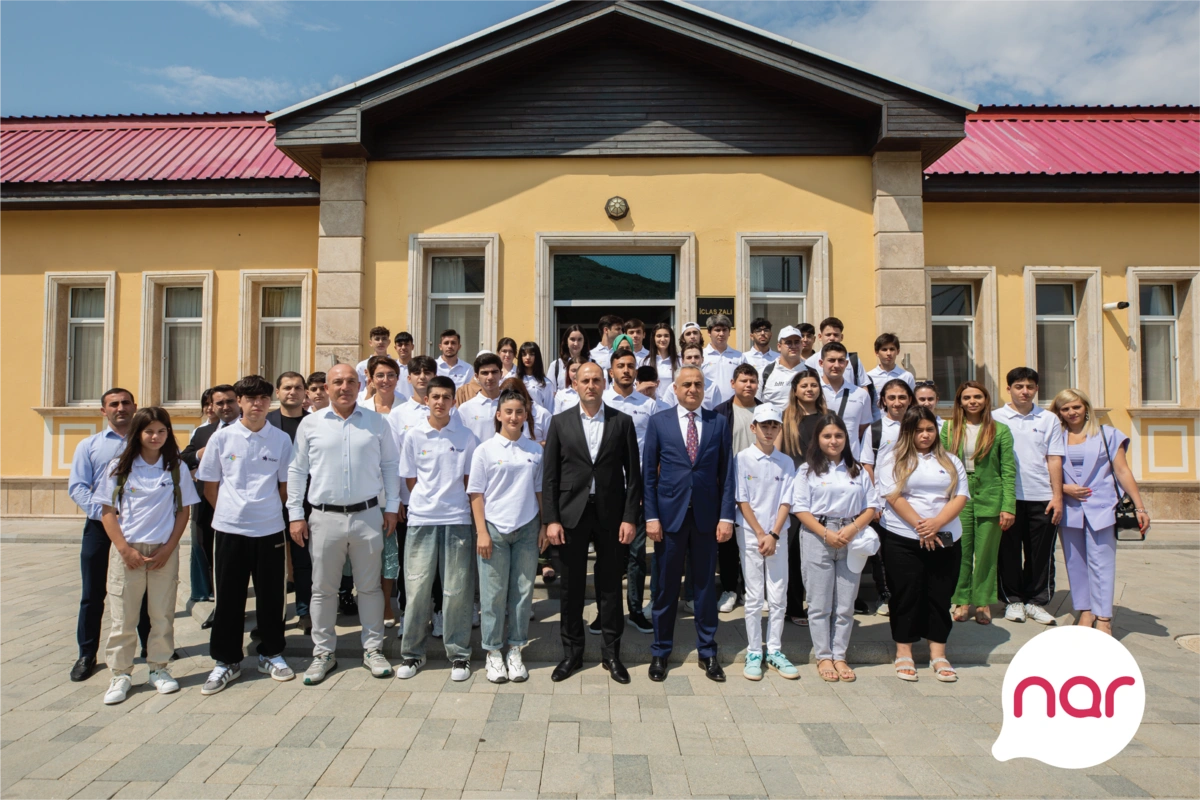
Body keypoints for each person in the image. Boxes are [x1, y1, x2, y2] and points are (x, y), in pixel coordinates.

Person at [288, 364, 401, 685]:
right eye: (338, 382)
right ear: (325, 387)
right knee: (322, 590)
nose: (345, 387)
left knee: (369, 587)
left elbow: (391, 466)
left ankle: (373, 649)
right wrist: (295, 513)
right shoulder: (310, 424)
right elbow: (297, 471)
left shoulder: (377, 423)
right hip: (324, 518)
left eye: (351, 381)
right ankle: (323, 653)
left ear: (360, 384)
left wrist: (391, 507)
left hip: (368, 516)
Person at [543, 363, 642, 684]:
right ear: (575, 384)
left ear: (605, 382)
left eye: (596, 380)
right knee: (570, 586)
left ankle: (611, 654)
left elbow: (634, 477)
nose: (590, 385)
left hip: (611, 516)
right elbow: (550, 477)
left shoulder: (622, 422)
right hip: (570, 515)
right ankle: (571, 653)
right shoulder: (560, 423)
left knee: (611, 585)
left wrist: (630, 517)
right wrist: (551, 520)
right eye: (584, 380)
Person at [196, 375, 295, 695]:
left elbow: (284, 487)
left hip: (268, 529)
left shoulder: (280, 439)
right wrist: (232, 510)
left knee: (271, 597)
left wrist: (261, 510)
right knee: (228, 597)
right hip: (228, 529)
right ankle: (226, 661)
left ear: (271, 401)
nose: (257, 404)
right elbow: (209, 485)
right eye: (250, 398)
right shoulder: (222, 439)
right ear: (238, 401)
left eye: (263, 398)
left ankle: (271, 653)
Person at [95, 407, 199, 704]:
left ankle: (159, 668)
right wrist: (124, 549)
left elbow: (183, 511)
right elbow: (107, 512)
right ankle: (120, 674)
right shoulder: (120, 466)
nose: (155, 437)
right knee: (123, 617)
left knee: (162, 614)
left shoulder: (175, 466)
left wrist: (168, 548)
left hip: (163, 551)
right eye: (149, 431)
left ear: (168, 434)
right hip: (128, 550)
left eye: (161, 431)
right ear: (138, 433)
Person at [644, 364, 736, 683]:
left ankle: (708, 651)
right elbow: (648, 476)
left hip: (707, 520)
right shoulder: (659, 422)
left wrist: (726, 516)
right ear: (676, 389)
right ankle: (660, 651)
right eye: (686, 384)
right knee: (666, 588)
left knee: (704, 587)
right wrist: (651, 516)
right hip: (669, 519)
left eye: (698, 384)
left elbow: (727, 475)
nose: (692, 389)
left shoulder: (718, 423)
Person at [875, 406, 969, 683]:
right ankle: (904, 650)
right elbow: (894, 496)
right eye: (918, 430)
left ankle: (938, 652)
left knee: (940, 594)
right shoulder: (892, 459)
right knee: (906, 594)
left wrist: (936, 524)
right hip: (903, 537)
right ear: (908, 432)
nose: (925, 435)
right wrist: (922, 525)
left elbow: (960, 496)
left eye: (929, 429)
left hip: (945, 537)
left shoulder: (951, 461)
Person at [67, 387, 152, 682]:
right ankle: (87, 653)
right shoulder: (90, 446)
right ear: (103, 411)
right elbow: (78, 486)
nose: (121, 408)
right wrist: (106, 515)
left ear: (135, 407)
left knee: (141, 589)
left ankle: (150, 646)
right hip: (99, 528)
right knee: (93, 593)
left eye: (126, 403)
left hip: (139, 528)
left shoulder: (149, 443)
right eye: (113, 404)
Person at [397, 376, 479, 681]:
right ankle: (413, 654)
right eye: (435, 397)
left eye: (446, 397)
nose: (440, 402)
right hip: (421, 521)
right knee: (417, 589)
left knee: (456, 591)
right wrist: (428, 501)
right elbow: (410, 479)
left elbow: (471, 481)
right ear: (426, 399)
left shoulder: (467, 437)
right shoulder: (415, 435)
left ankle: (458, 654)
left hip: (457, 519)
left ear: (453, 401)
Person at [1050, 389, 1149, 635]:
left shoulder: (1108, 434)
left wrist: (1140, 506)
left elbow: (1123, 471)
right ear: (1059, 412)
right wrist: (1063, 488)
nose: (1071, 412)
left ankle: (1104, 616)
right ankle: (1085, 610)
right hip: (1070, 509)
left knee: (1102, 562)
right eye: (1065, 408)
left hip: (1102, 507)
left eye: (1076, 407)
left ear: (1086, 407)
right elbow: (1045, 472)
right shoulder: (1054, 437)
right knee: (1075, 562)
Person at [793, 414, 881, 683]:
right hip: (817, 536)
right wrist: (826, 533)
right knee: (819, 603)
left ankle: (840, 655)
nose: (833, 441)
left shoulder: (856, 470)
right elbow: (800, 508)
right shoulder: (807, 471)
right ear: (817, 440)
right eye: (827, 436)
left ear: (846, 439)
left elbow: (872, 506)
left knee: (845, 604)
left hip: (851, 537)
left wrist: (852, 529)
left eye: (838, 436)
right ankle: (823, 656)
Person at [469, 389, 547, 683]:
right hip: (494, 530)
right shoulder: (485, 450)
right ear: (498, 415)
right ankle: (493, 652)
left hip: (527, 528)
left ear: (526, 416)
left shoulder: (535, 451)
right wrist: (482, 533)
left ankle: (515, 649)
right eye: (509, 412)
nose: (514, 417)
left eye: (519, 412)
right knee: (492, 594)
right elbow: (476, 494)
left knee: (522, 592)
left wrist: (543, 525)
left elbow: (540, 491)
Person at [598, 349, 667, 635]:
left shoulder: (648, 405)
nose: (626, 370)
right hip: (606, 489)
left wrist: (648, 486)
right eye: (620, 366)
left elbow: (657, 450)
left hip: (638, 489)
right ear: (610, 371)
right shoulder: (600, 402)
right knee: (608, 553)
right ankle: (605, 611)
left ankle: (635, 610)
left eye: (630, 366)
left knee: (638, 554)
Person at [992, 367, 1065, 625]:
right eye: (1019, 386)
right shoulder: (995, 418)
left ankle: (1036, 601)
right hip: (1008, 498)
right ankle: (1012, 600)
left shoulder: (1048, 419)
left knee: (1041, 552)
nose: (1025, 391)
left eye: (1030, 387)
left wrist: (1057, 497)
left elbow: (1054, 458)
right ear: (1009, 388)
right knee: (1008, 551)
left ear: (1036, 389)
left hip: (1041, 495)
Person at [733, 404, 799, 681]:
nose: (769, 430)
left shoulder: (786, 462)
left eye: (774, 425)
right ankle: (753, 651)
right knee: (754, 594)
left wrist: (773, 533)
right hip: (750, 534)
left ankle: (774, 649)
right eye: (764, 425)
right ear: (753, 428)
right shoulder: (741, 459)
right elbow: (742, 499)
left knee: (778, 593)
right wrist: (761, 533)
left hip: (778, 535)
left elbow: (787, 500)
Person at [943, 381, 1016, 626]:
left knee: (986, 552)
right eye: (966, 397)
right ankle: (962, 600)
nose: (972, 401)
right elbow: (941, 465)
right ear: (959, 402)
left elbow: (1008, 471)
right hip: (959, 495)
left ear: (985, 400)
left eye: (977, 397)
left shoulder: (1000, 430)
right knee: (960, 551)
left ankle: (983, 601)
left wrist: (1008, 506)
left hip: (991, 496)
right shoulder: (949, 428)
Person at [387, 355, 442, 634]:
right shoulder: (398, 415)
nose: (422, 376)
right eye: (416, 372)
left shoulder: (446, 410)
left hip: (441, 503)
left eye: (427, 372)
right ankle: (409, 613)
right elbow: (394, 461)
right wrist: (395, 499)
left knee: (440, 566)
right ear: (408, 378)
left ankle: (439, 611)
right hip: (408, 503)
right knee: (411, 562)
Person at [180, 384, 240, 630]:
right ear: (212, 407)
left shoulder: (253, 428)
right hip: (208, 504)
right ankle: (221, 608)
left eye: (230, 401)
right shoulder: (203, 433)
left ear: (238, 402)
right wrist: (198, 455)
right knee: (216, 557)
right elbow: (182, 459)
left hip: (242, 507)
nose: (225, 407)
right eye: (220, 403)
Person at [857, 378, 915, 615]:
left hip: (914, 503)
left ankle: (910, 596)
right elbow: (867, 466)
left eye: (902, 397)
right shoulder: (876, 429)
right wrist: (873, 503)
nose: (897, 402)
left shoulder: (919, 426)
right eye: (892, 397)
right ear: (883, 401)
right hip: (884, 503)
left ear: (910, 399)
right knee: (883, 554)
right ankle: (886, 595)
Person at [778, 368, 827, 625]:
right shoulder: (786, 419)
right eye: (804, 385)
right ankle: (794, 607)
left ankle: (821, 606)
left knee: (819, 552)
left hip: (823, 491)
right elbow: (776, 455)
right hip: (794, 491)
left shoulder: (828, 418)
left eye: (813, 385)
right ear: (795, 390)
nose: (809, 389)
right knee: (793, 550)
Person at [713, 363, 761, 613]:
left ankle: (755, 590)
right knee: (728, 541)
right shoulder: (720, 412)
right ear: (733, 383)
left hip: (761, 486)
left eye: (752, 380)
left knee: (756, 539)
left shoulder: (766, 411)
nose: (748, 385)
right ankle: (730, 589)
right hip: (729, 484)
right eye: (743, 380)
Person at [267, 372, 312, 634]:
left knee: (303, 561)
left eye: (297, 388)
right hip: (270, 503)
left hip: (305, 503)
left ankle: (304, 611)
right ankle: (275, 615)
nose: (292, 392)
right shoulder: (266, 422)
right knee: (273, 565)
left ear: (305, 392)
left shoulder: (314, 422)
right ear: (278, 391)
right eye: (287, 388)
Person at [818, 342, 873, 455]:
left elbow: (863, 428)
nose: (836, 365)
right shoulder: (812, 392)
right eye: (831, 360)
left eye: (841, 360)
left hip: (851, 461)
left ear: (847, 363)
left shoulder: (861, 394)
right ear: (821, 363)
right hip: (818, 461)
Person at [804, 317, 872, 393]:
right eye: (828, 335)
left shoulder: (853, 360)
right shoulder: (811, 362)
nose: (832, 338)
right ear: (820, 337)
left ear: (841, 337)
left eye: (836, 335)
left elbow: (863, 386)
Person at [866, 333, 915, 422]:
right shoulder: (868, 377)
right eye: (884, 349)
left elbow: (912, 405)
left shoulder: (907, 376)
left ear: (898, 351)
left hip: (902, 425)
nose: (888, 353)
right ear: (877, 352)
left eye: (892, 349)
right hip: (876, 426)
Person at [458, 352, 504, 444]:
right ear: (476, 376)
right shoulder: (465, 409)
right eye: (485, 373)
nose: (490, 377)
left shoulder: (513, 404)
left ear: (501, 374)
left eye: (494, 372)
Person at [702, 313, 746, 406]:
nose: (721, 334)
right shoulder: (701, 355)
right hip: (708, 408)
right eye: (717, 330)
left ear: (729, 332)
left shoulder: (739, 357)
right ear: (709, 332)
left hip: (732, 407)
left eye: (724, 330)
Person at [759, 326, 805, 412]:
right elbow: (756, 403)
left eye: (797, 342)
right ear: (779, 346)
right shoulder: (765, 373)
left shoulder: (811, 372)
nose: (793, 346)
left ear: (802, 345)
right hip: (774, 424)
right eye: (788, 343)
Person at [548, 324, 588, 392]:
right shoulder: (556, 365)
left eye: (579, 340)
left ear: (584, 341)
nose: (576, 343)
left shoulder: (592, 363)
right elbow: (550, 393)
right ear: (566, 341)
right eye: (572, 339)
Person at [679, 342, 719, 410]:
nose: (693, 361)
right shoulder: (674, 387)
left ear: (702, 359)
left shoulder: (712, 387)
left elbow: (717, 412)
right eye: (689, 358)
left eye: (696, 357)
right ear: (682, 361)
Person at [518, 341, 554, 411]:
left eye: (531, 354)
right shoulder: (515, 380)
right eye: (524, 354)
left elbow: (549, 409)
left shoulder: (546, 383)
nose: (527, 357)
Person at [356, 325, 391, 393]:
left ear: (389, 342)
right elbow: (359, 391)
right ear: (370, 343)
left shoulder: (396, 365)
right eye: (377, 339)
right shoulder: (362, 366)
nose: (380, 342)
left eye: (384, 339)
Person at [744, 317, 778, 383]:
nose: (762, 333)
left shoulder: (779, 358)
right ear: (751, 336)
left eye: (766, 330)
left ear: (771, 335)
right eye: (758, 331)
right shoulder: (744, 358)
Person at [650, 322, 680, 387]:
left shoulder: (679, 361)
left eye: (666, 336)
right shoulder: (646, 361)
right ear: (653, 338)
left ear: (671, 338)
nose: (663, 339)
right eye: (659, 336)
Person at [393, 331, 415, 401]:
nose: (403, 347)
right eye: (400, 345)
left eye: (406, 344)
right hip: (395, 405)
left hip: (414, 406)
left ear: (412, 347)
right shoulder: (391, 368)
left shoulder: (418, 367)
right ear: (395, 348)